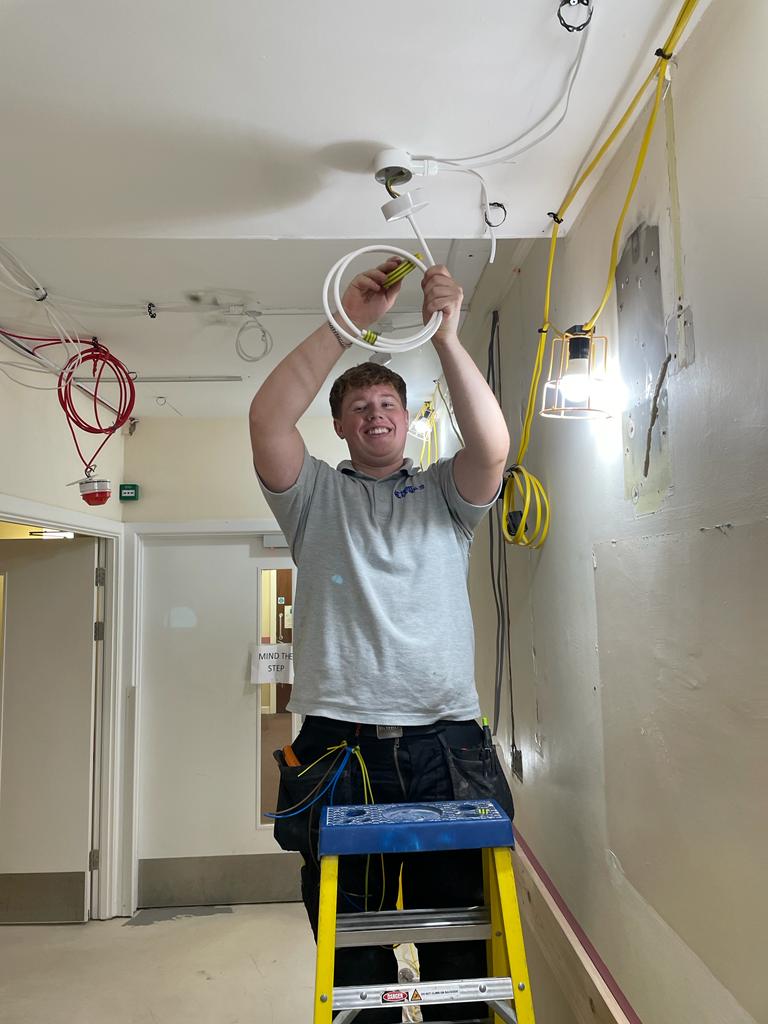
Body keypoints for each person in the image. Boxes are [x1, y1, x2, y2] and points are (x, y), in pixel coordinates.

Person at [249, 258, 514, 1022]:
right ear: (338, 424)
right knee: (353, 950)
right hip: (340, 744)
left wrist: (447, 338)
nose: (375, 413)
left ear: (407, 414)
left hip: (445, 741)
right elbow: (268, 421)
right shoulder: (313, 498)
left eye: (387, 401)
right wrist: (344, 326)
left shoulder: (445, 494)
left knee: (458, 948)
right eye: (359, 405)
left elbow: (493, 446)